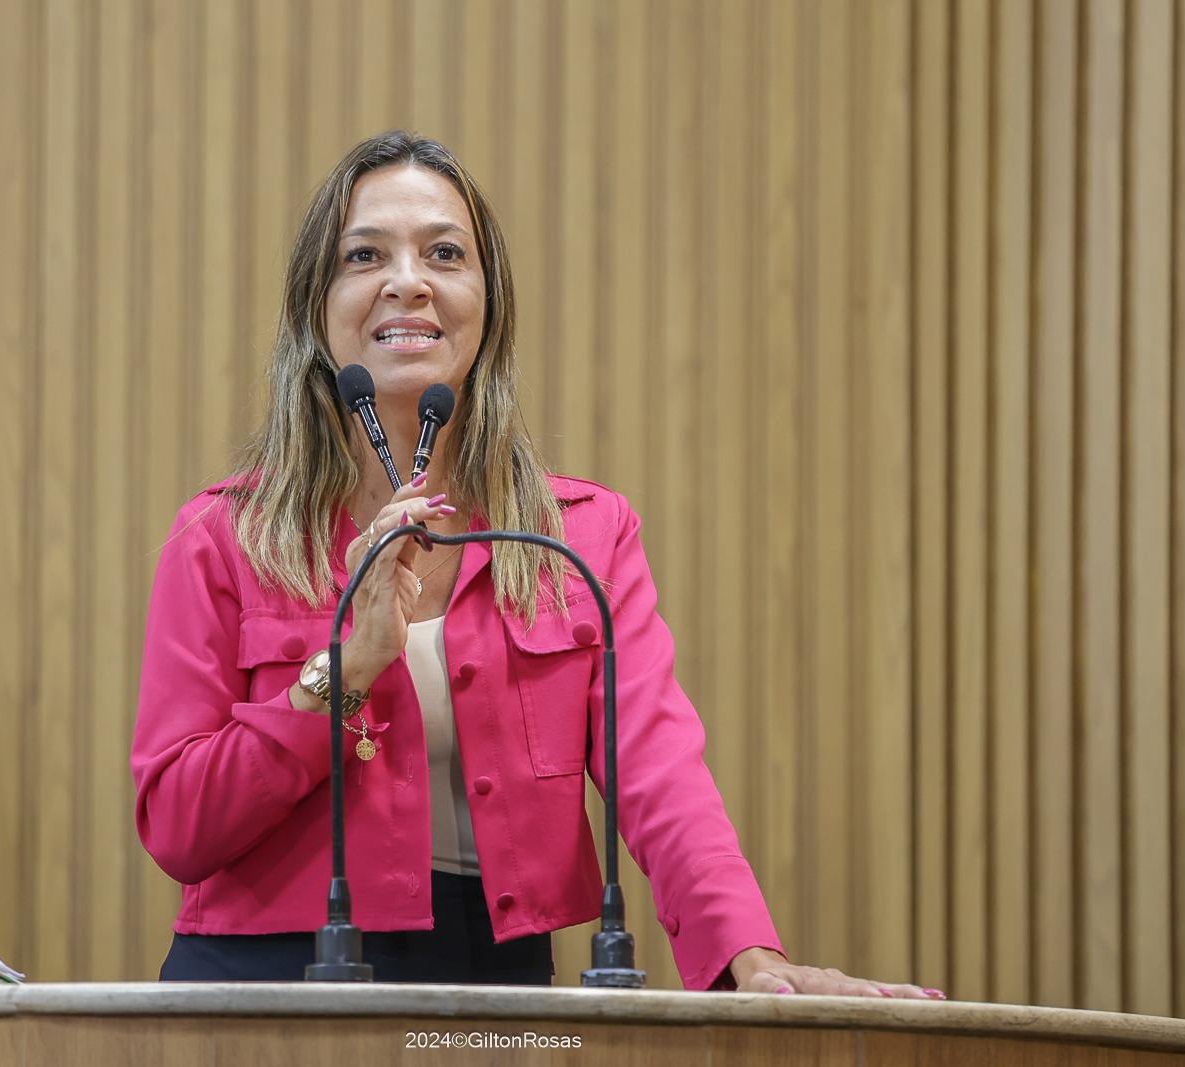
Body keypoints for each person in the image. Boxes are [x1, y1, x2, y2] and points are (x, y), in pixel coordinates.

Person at [131, 130, 943, 998]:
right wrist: (339, 674)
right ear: (314, 309)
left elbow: (660, 774)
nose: (408, 279)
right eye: (365, 254)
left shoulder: (581, 537)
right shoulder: (224, 535)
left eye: (445, 252)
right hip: (260, 990)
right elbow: (176, 824)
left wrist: (751, 956)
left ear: (489, 304)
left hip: (499, 992)